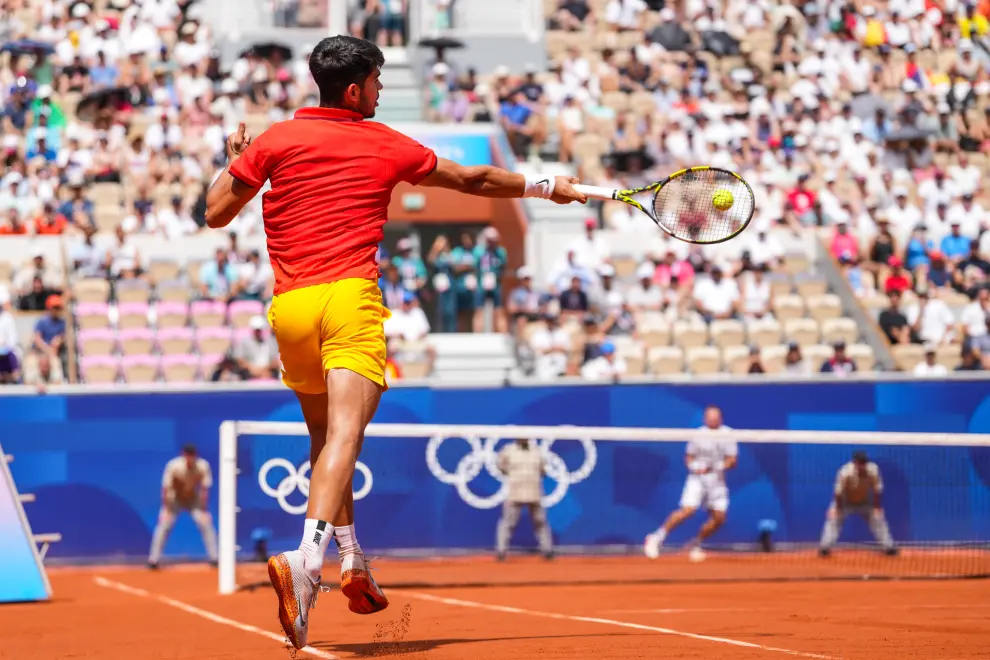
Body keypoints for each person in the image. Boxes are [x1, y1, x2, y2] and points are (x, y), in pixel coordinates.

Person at [204, 35, 586, 650]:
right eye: (377, 81)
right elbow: (474, 178)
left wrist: (235, 160)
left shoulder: (273, 139)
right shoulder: (383, 142)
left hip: (291, 308)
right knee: (346, 439)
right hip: (349, 301)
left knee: (328, 443)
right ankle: (307, 561)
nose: (381, 91)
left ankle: (352, 560)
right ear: (354, 90)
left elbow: (217, 211)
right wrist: (547, 186)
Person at [644, 405, 737, 562]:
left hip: (717, 481)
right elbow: (689, 456)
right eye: (709, 417)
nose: (712, 420)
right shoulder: (697, 434)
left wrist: (717, 467)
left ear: (720, 418)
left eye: (715, 417)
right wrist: (695, 466)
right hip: (697, 479)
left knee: (719, 518)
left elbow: (732, 460)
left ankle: (696, 544)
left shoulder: (728, 434)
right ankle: (656, 537)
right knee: (688, 510)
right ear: (705, 419)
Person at [148, 445, 219, 570]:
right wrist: (165, 509)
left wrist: (204, 510)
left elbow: (204, 489)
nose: (190, 458)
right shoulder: (174, 465)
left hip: (193, 498)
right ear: (183, 454)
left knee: (206, 524)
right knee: (164, 526)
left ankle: (215, 558)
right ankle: (153, 560)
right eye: (188, 455)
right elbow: (165, 488)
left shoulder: (203, 465)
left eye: (192, 455)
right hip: (174, 498)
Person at [818, 451, 898, 557]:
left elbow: (877, 490)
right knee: (833, 520)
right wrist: (836, 509)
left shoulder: (873, 470)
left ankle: (888, 547)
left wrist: (877, 507)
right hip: (845, 501)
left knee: (878, 519)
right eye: (860, 462)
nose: (862, 465)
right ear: (854, 462)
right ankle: (825, 548)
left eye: (864, 462)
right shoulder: (845, 472)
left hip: (864, 501)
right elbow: (838, 493)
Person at [495, 438, 554, 561]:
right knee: (508, 523)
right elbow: (500, 464)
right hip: (515, 492)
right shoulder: (508, 450)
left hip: (534, 492)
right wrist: (512, 475)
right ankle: (501, 551)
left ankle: (547, 550)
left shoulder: (536, 451)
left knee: (540, 522)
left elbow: (543, 470)